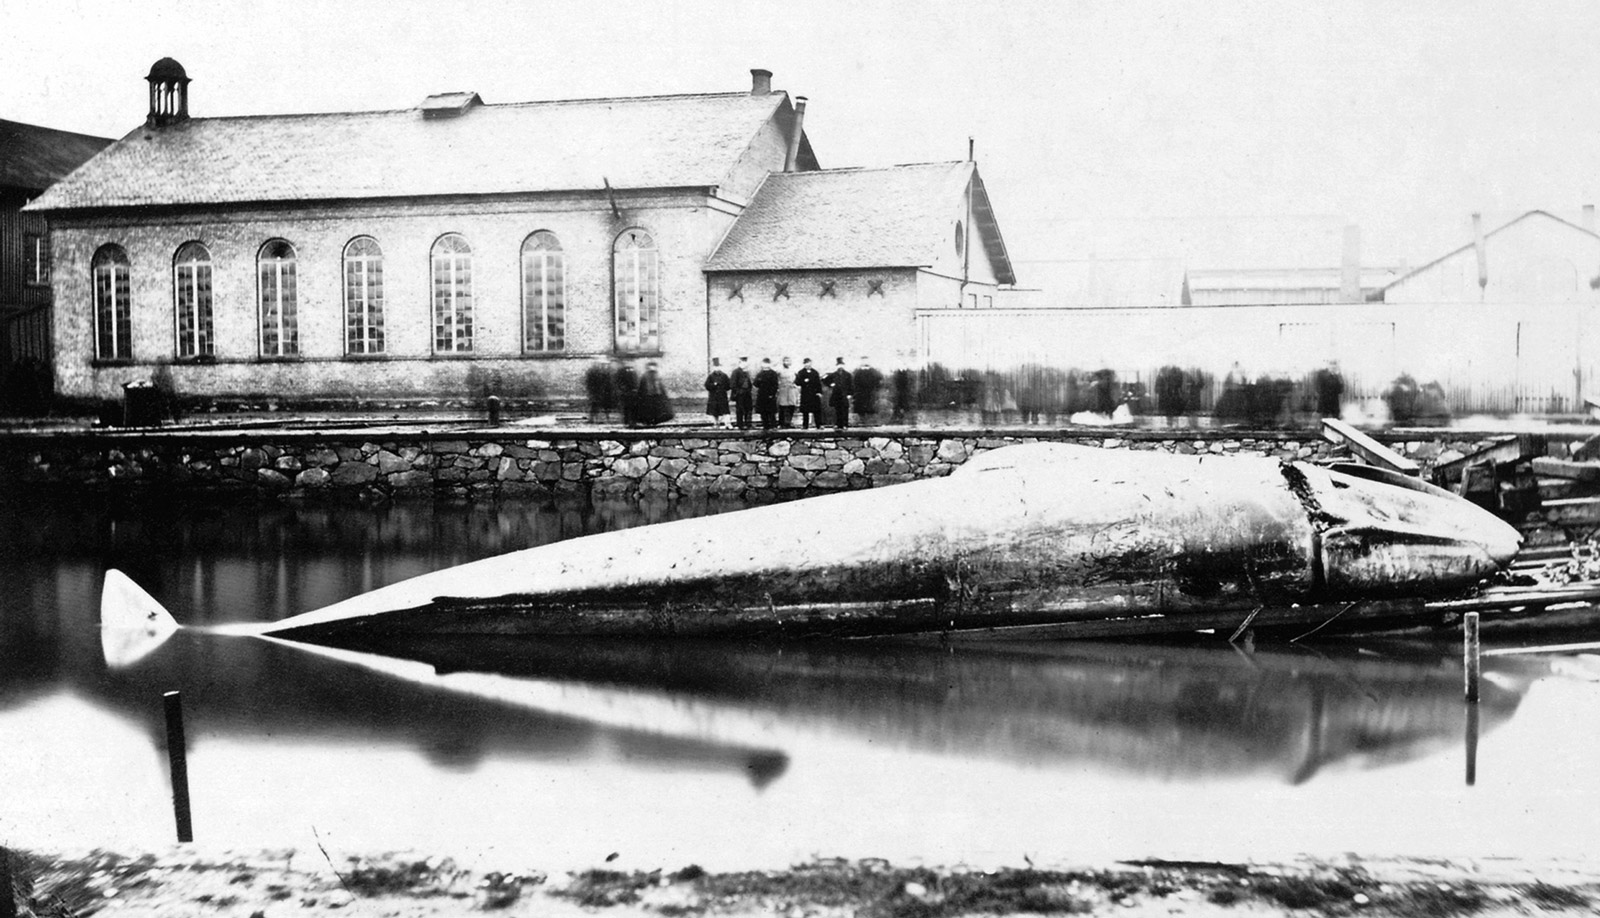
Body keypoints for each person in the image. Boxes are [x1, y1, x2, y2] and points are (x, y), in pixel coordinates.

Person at [635, 361, 675, 427]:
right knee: (655, 410)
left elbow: (642, 387)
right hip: (654, 395)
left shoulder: (646, 375)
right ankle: (653, 421)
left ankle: (651, 421)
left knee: (651, 411)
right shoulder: (656, 375)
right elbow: (660, 387)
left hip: (650, 396)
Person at [583, 357, 616, 423]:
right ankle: (594, 419)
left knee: (603, 406)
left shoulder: (606, 373)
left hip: (604, 393)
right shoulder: (596, 373)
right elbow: (590, 383)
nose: (603, 366)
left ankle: (602, 418)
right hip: (597, 392)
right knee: (596, 406)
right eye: (602, 365)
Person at [851, 356, 882, 427]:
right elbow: (853, 383)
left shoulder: (874, 372)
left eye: (866, 361)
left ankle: (870, 427)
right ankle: (861, 428)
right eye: (863, 361)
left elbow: (879, 382)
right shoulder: (857, 372)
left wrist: (875, 390)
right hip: (860, 396)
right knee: (860, 412)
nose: (865, 362)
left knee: (870, 411)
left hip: (870, 395)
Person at [796, 357, 823, 429]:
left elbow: (818, 383)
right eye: (806, 363)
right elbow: (797, 382)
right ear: (804, 364)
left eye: (809, 363)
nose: (808, 365)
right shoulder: (801, 372)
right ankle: (805, 426)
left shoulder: (815, 372)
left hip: (814, 394)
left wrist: (819, 392)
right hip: (805, 394)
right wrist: (804, 381)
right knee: (805, 411)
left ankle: (818, 425)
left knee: (816, 410)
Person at [826, 357, 854, 429]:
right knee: (837, 410)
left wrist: (850, 394)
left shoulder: (848, 375)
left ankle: (845, 424)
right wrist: (831, 384)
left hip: (844, 395)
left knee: (845, 409)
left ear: (843, 365)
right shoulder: (833, 374)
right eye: (839, 365)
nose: (840, 366)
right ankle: (838, 424)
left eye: (841, 365)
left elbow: (851, 384)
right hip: (836, 394)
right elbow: (825, 380)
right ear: (837, 366)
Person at [703, 358, 731, 429]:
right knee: (714, 412)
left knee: (725, 411)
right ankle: (715, 423)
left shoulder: (724, 376)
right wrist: (714, 385)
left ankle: (727, 424)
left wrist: (723, 388)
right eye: (715, 367)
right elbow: (707, 385)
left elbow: (728, 385)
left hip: (722, 396)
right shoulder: (711, 376)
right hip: (714, 397)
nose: (717, 368)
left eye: (718, 367)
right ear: (713, 368)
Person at [754, 357, 780, 430]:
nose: (765, 365)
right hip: (762, 395)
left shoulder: (773, 373)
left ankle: (773, 426)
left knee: (771, 412)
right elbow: (756, 384)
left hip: (770, 395)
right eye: (764, 364)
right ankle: (765, 426)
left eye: (767, 364)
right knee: (763, 412)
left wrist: (772, 394)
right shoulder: (760, 373)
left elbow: (775, 385)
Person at [613, 359, 639, 428]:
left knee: (629, 408)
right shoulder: (625, 371)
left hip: (629, 392)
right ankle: (630, 421)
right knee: (629, 408)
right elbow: (618, 381)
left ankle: (629, 421)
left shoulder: (624, 371)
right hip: (628, 392)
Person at [730, 356, 754, 430]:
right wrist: (738, 392)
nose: (745, 364)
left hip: (747, 393)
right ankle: (740, 425)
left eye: (746, 362)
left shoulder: (747, 372)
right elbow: (732, 384)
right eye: (743, 362)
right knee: (740, 410)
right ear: (739, 363)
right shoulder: (736, 372)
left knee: (749, 409)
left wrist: (749, 390)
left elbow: (749, 383)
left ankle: (748, 424)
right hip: (740, 394)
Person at [777, 357, 799, 428]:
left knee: (791, 406)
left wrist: (795, 385)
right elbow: (776, 379)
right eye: (786, 361)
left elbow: (798, 379)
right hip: (783, 390)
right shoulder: (779, 370)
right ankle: (782, 423)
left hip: (791, 390)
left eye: (789, 361)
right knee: (783, 406)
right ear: (783, 362)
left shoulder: (793, 370)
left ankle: (789, 422)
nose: (787, 362)